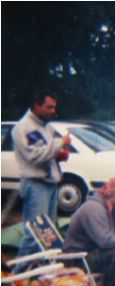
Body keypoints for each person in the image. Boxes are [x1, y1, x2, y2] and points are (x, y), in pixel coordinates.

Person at [13, 91, 71, 261]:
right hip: (36, 185)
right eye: (49, 107)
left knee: (49, 234)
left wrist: (60, 154)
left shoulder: (47, 127)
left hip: (50, 184)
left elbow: (49, 152)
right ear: (36, 106)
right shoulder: (23, 128)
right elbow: (34, 156)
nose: (53, 111)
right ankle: (18, 272)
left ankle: (43, 270)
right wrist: (60, 143)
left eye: (54, 107)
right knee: (35, 234)